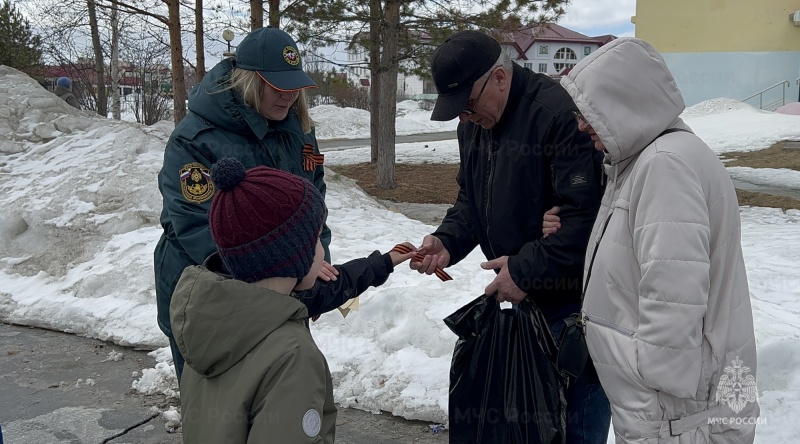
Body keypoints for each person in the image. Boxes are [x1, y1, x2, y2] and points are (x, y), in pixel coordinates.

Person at [544, 37, 759, 443]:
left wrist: (656, 384)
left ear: (625, 103)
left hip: (677, 416)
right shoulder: (646, 159)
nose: (581, 124)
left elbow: (674, 292)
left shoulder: (664, 165)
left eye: (589, 111)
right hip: (668, 411)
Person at [414, 30, 610, 443]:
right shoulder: (475, 123)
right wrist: (447, 239)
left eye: (467, 105)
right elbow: (472, 196)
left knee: (574, 431)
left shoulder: (557, 114)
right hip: (520, 305)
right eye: (457, 111)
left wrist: (523, 269)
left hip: (573, 311)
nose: (464, 117)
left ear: (499, 78)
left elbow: (588, 219)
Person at [172, 158, 417, 443]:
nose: (322, 249)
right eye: (315, 239)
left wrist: (383, 262)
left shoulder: (209, 323)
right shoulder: (293, 356)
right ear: (292, 255)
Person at [154, 26, 337, 382]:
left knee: (273, 396)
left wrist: (317, 259)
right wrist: (287, 272)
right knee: (217, 406)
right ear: (248, 81)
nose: (289, 96)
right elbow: (196, 225)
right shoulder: (196, 138)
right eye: (278, 87)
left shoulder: (299, 129)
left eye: (295, 85)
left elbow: (314, 199)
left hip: (280, 286)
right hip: (210, 287)